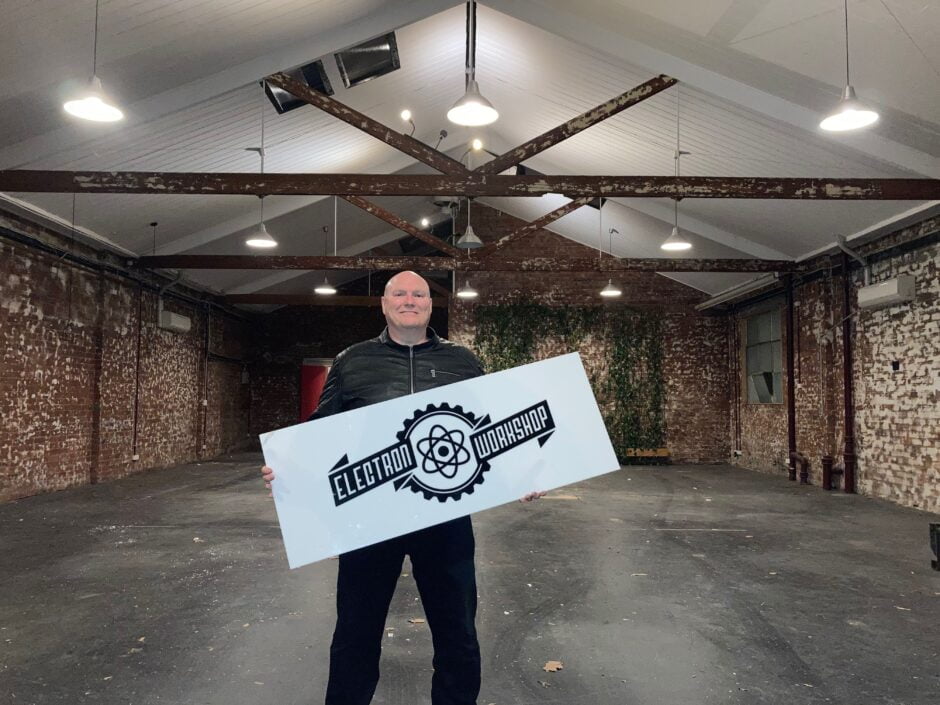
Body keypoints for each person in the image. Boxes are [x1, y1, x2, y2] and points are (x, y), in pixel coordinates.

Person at [260, 271, 544, 705]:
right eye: (400, 294)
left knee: (458, 633)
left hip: (446, 516)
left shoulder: (463, 362)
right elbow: (322, 429)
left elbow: (491, 427)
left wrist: (522, 473)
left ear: (431, 304)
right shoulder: (352, 360)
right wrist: (289, 469)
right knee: (355, 632)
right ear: (384, 304)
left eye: (419, 294)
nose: (409, 300)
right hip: (368, 521)